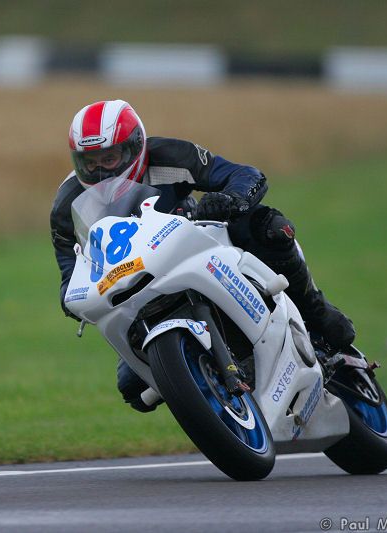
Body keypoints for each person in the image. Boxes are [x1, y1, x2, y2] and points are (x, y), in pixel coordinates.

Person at [50, 99, 355, 412]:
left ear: (134, 147)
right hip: (136, 289)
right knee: (133, 388)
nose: (100, 171)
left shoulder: (171, 155)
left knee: (271, 228)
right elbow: (69, 269)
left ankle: (317, 312)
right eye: (90, 163)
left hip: (195, 245)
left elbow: (246, 175)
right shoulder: (67, 205)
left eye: (110, 158)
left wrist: (229, 199)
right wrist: (72, 297)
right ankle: (213, 402)